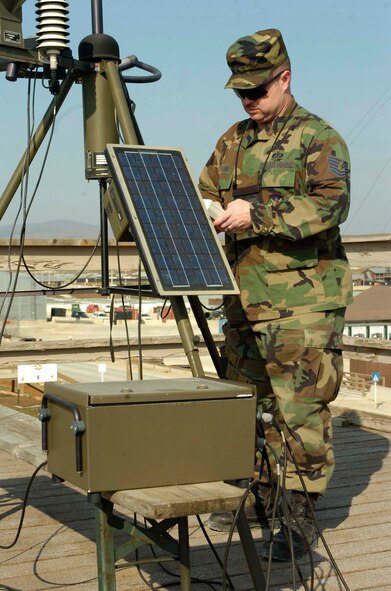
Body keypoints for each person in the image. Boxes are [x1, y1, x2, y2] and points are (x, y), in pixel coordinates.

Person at [198, 28, 352, 561]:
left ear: (285, 78)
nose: (249, 101)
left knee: (300, 406)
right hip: (243, 295)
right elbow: (208, 190)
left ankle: (298, 510)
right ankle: (258, 492)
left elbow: (331, 205)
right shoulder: (233, 139)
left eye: (258, 91)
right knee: (247, 398)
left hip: (303, 300)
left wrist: (257, 212)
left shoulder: (318, 138)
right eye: (241, 92)